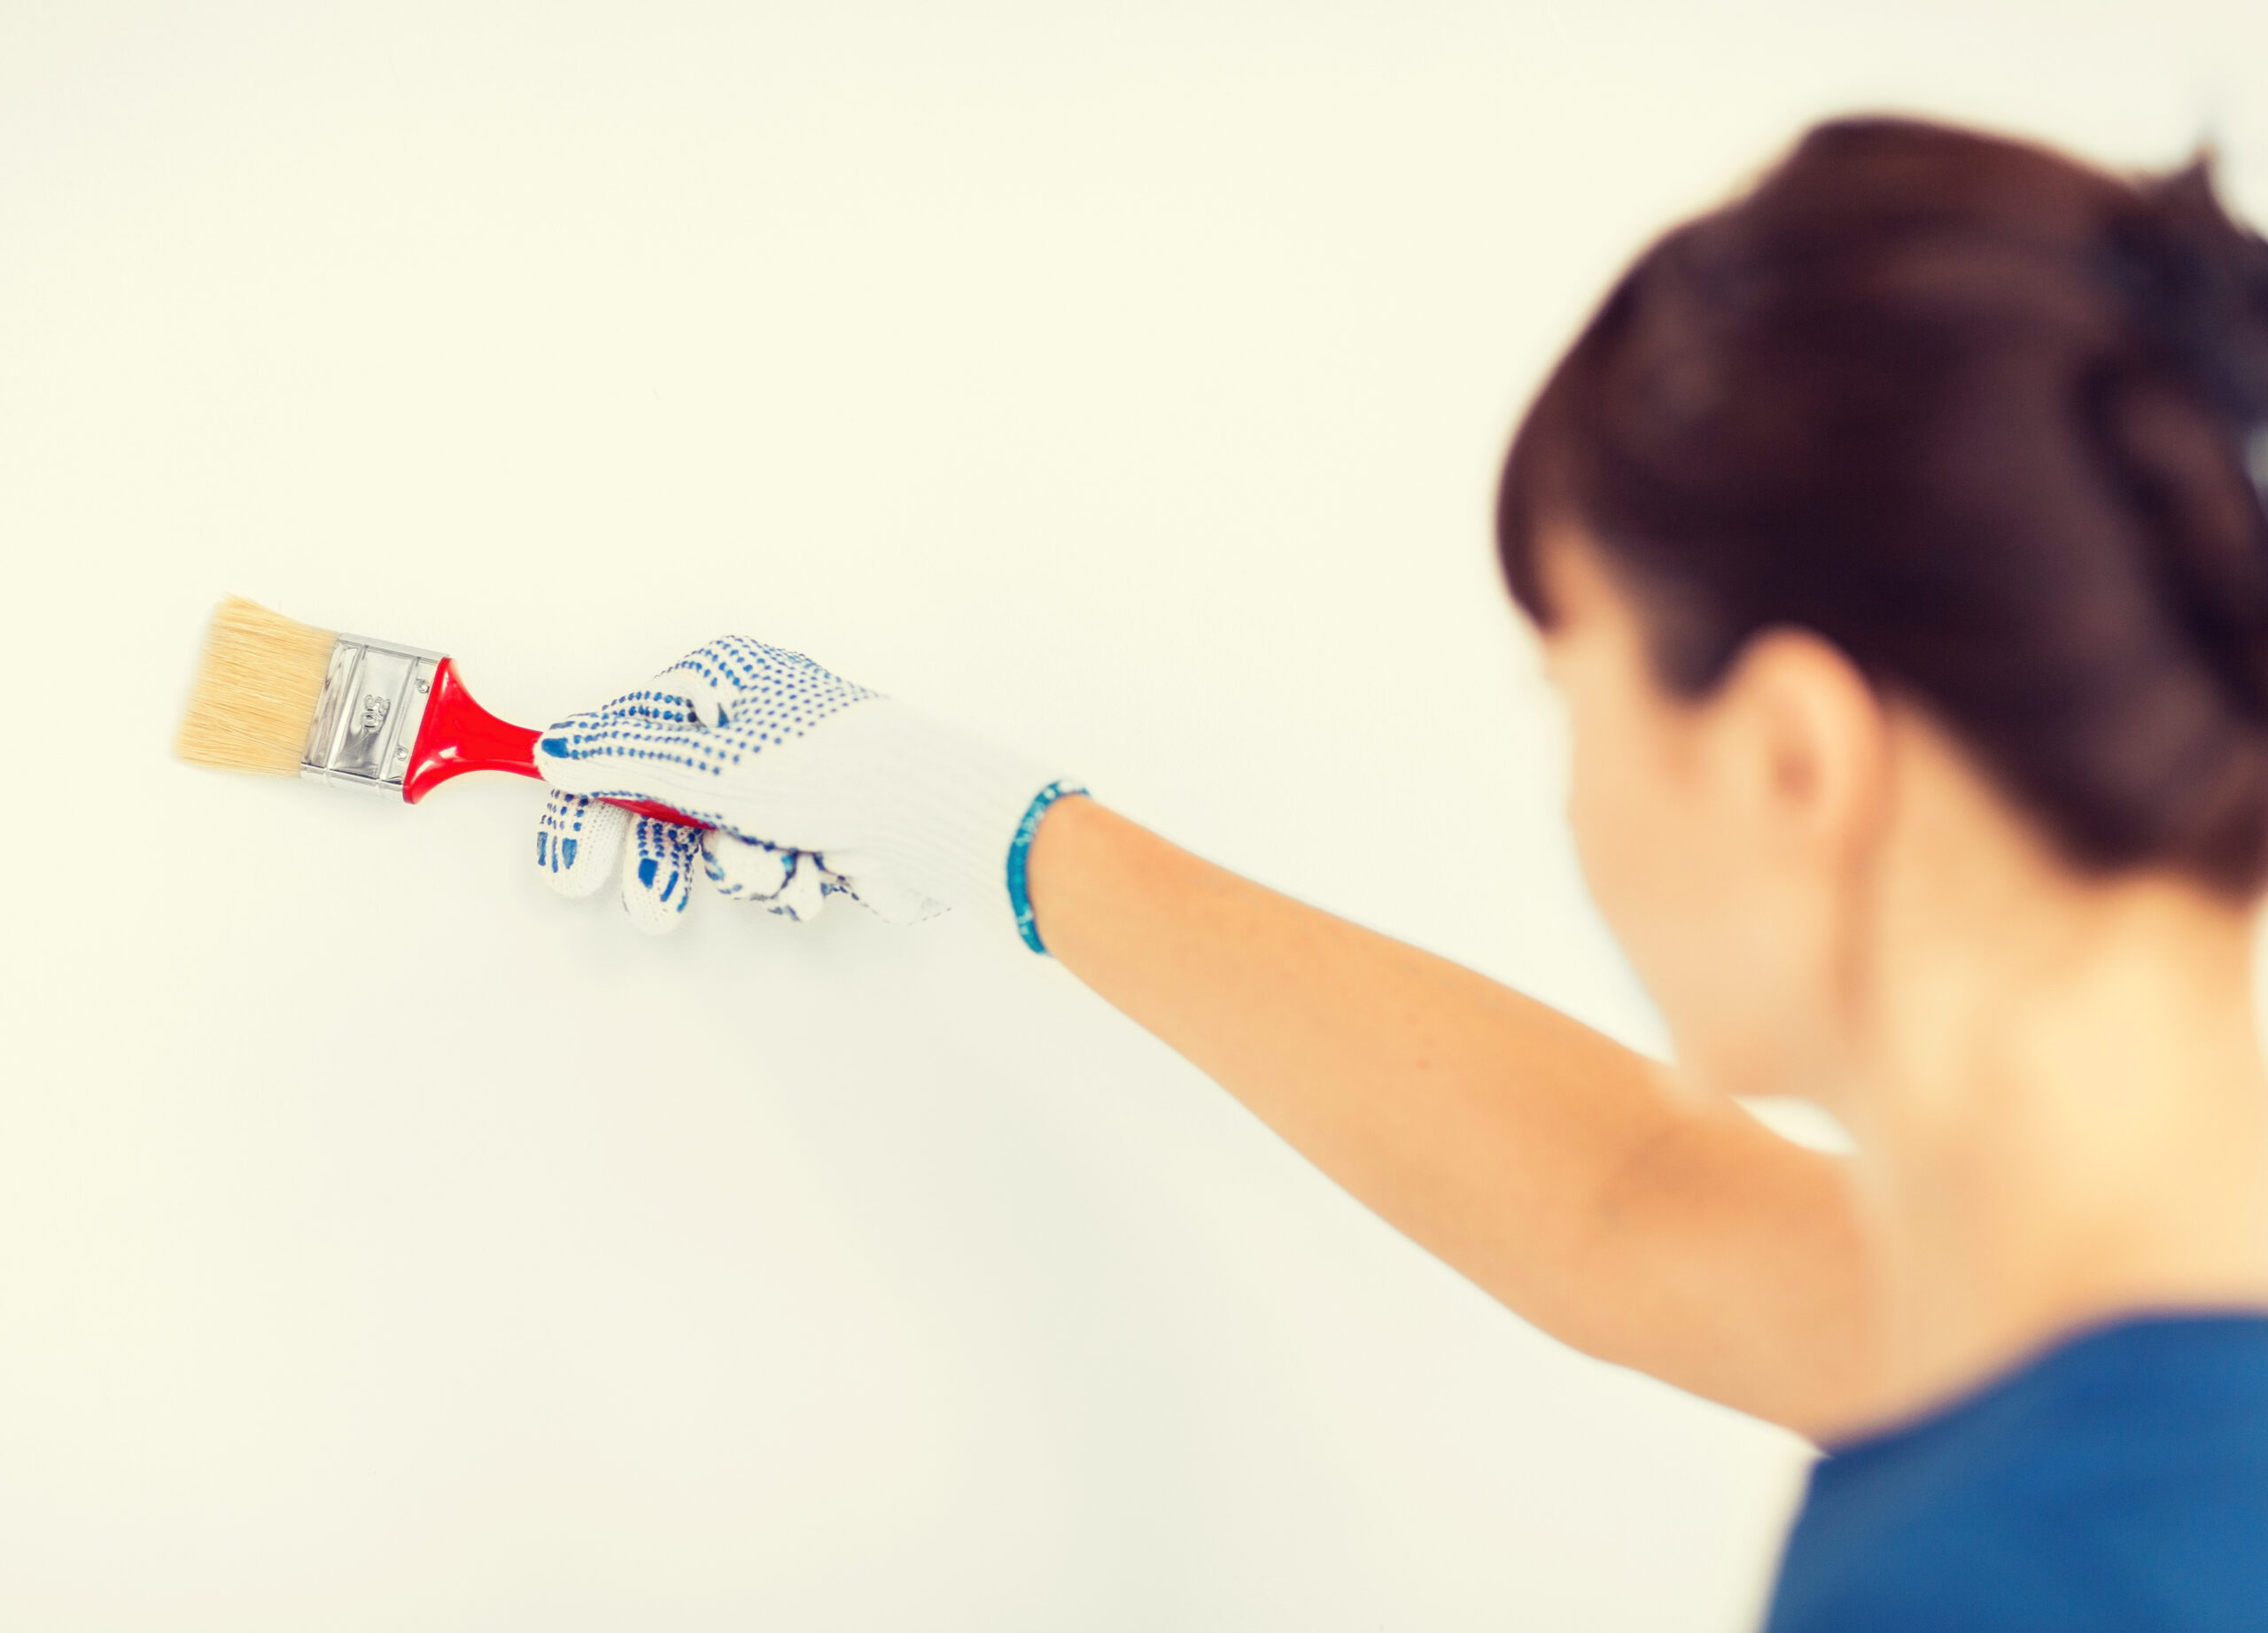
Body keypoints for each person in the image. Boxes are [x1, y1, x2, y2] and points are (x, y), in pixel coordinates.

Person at [525, 117, 2268, 1629]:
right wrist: (979, 822)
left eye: (1563, 683)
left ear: (1786, 757)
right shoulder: (2107, 1307)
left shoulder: (2025, 1577)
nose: (1569, 789)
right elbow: (1633, 1201)